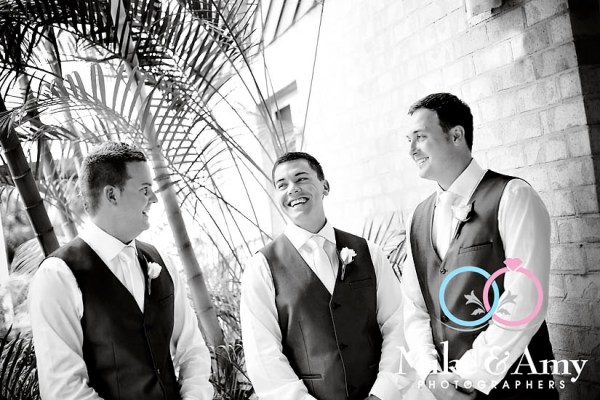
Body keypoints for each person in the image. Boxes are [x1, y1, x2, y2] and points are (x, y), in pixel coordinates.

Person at [402, 93, 557, 399]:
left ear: (456, 135)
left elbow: (526, 299)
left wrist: (468, 377)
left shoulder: (513, 196)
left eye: (420, 137)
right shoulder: (416, 218)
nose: (411, 150)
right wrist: (431, 374)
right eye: (408, 140)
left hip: (516, 387)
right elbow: (415, 308)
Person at [29, 142, 213, 400]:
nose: (154, 198)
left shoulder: (162, 262)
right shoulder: (58, 276)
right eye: (145, 189)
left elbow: (192, 350)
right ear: (112, 195)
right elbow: (63, 390)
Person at [241, 152, 410, 400]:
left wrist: (383, 393)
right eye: (282, 185)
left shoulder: (370, 253)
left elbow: (399, 326)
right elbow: (263, 354)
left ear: (325, 186)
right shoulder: (261, 267)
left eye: (301, 178)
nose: (292, 189)